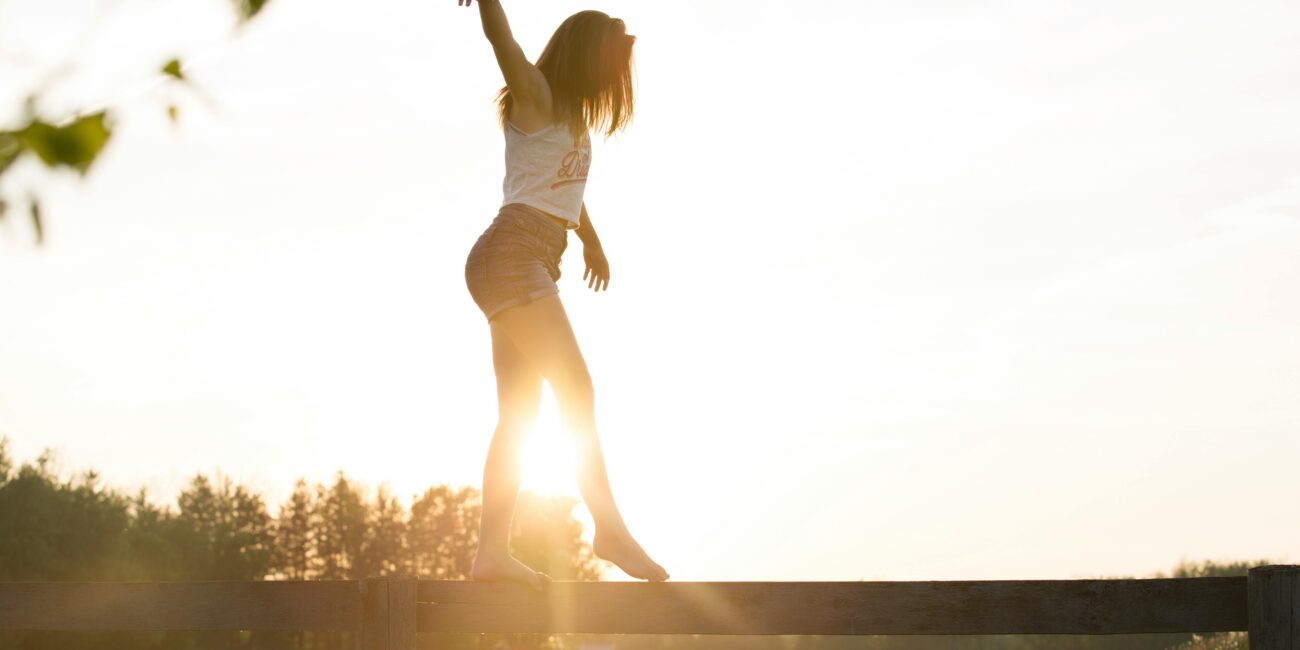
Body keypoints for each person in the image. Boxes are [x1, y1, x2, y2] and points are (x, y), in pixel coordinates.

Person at [458, 0, 669, 590]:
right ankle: (609, 527)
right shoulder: (536, 95)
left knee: (519, 416)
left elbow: (565, 189)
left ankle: (490, 555)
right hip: (513, 253)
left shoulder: (570, 118)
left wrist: (591, 242)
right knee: (577, 386)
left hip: (526, 257)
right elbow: (502, 42)